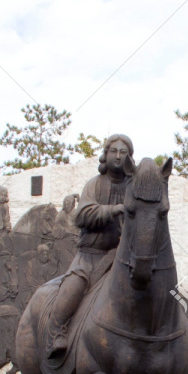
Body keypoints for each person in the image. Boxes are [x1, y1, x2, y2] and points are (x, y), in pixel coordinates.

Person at [46, 134, 134, 360]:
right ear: (106, 154)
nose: (117, 156)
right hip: (91, 256)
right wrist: (112, 210)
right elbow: (81, 215)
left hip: (121, 257)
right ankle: (56, 331)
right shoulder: (94, 184)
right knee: (75, 284)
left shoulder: (133, 187)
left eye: (123, 152)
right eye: (113, 151)